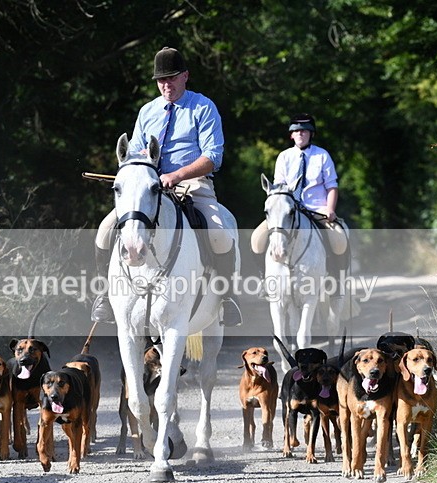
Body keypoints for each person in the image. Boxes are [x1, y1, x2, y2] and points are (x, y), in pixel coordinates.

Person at [91, 47, 242, 327]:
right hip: (150, 186)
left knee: (220, 234)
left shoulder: (203, 107)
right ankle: (104, 296)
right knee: (104, 229)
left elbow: (213, 157)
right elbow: (135, 152)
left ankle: (226, 297)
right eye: (161, 80)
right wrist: (137, 168)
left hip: (193, 184)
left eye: (172, 78)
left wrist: (178, 174)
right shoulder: (147, 111)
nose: (166, 85)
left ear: (185, 76)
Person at [251, 113, 348, 259]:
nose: (300, 133)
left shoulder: (322, 155)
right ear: (291, 135)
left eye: (304, 130)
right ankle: (262, 271)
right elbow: (279, 188)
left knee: (339, 240)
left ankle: (337, 272)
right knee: (256, 240)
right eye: (296, 131)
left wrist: (330, 209)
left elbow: (332, 187)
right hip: (288, 210)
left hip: (317, 210)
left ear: (311, 134)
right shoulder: (284, 157)